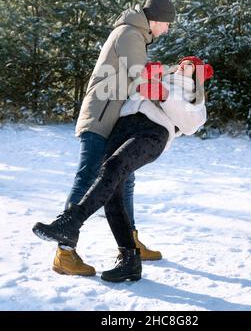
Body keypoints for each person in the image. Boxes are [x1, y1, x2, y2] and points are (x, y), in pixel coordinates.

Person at [33, 56, 213, 282]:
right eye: (183, 62)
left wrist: (164, 95)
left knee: (113, 167)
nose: (184, 65)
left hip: (152, 132)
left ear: (200, 75)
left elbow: (191, 124)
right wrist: (144, 81)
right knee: (112, 191)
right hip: (123, 126)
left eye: (191, 65)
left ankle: (71, 222)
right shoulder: (161, 75)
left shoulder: (195, 97)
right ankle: (129, 260)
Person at [50, 0, 176, 276]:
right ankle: (64, 252)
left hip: (113, 119)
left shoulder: (136, 35)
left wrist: (173, 71)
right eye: (167, 24)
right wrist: (176, 86)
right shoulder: (130, 33)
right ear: (156, 20)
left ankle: (129, 243)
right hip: (101, 118)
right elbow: (143, 78)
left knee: (125, 178)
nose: (168, 30)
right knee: (87, 179)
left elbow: (142, 74)